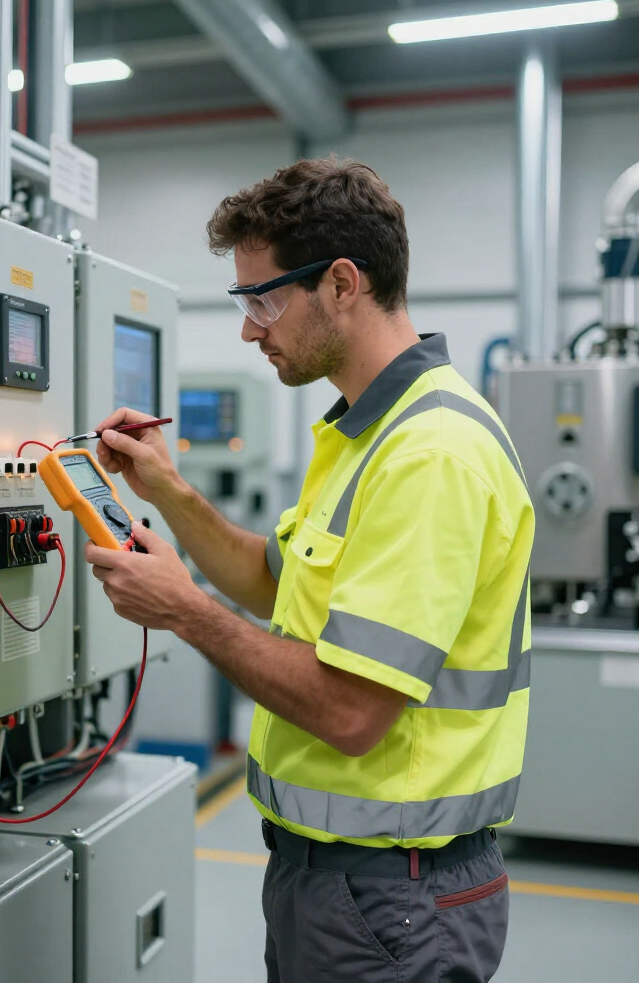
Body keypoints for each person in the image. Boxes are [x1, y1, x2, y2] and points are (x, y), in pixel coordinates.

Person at [85, 156, 534, 983]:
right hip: (337, 883)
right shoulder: (366, 434)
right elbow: (270, 577)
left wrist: (185, 610)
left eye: (263, 299)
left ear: (340, 283)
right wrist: (170, 490)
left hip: (394, 900)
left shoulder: (431, 452)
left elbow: (352, 711)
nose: (250, 329)